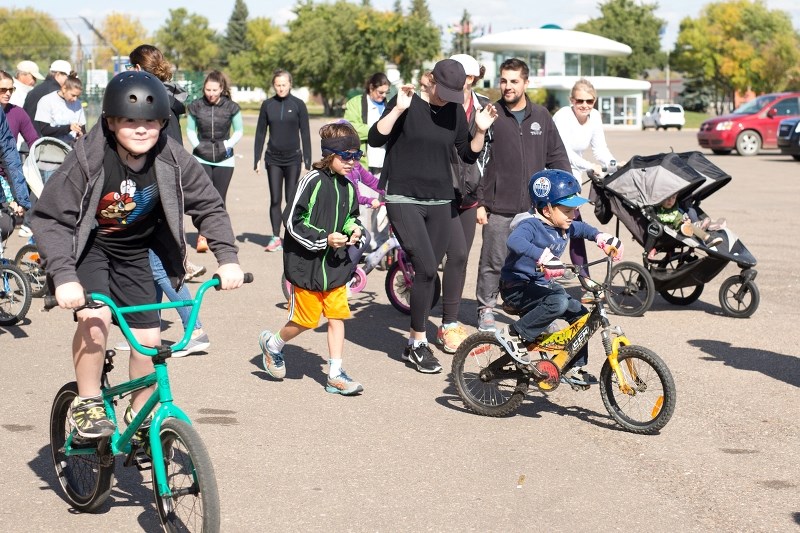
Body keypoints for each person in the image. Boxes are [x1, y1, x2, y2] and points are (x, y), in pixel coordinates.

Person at [30, 70, 244, 440]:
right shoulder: (89, 156)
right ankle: (88, 400)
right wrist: (64, 277)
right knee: (94, 320)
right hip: (91, 248)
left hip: (135, 251)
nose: (141, 129)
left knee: (147, 339)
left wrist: (228, 259)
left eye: (150, 121)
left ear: (162, 123)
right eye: (130, 120)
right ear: (111, 122)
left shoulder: (172, 157)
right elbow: (52, 219)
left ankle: (138, 412)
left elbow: (209, 206)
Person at [368, 58, 497, 374]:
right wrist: (397, 109)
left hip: (441, 200)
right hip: (403, 197)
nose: (450, 99)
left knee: (428, 272)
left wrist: (479, 130)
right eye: (445, 92)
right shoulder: (408, 102)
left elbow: (467, 153)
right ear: (431, 80)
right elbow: (375, 138)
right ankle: (416, 343)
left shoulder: (453, 110)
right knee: (426, 266)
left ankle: (416, 341)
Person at [258, 121, 365, 395]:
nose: (352, 162)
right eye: (346, 156)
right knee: (306, 321)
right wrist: (324, 238)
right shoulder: (311, 181)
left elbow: (353, 217)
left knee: (337, 317)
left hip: (336, 268)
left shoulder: (349, 187)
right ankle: (273, 345)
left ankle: (335, 374)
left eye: (357, 156)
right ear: (330, 154)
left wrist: (354, 231)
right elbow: (292, 222)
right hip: (307, 267)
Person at [496, 169, 623, 385]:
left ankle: (573, 366)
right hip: (517, 288)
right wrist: (542, 256)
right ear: (546, 210)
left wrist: (601, 237)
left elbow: (582, 229)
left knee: (582, 315)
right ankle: (513, 334)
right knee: (559, 301)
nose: (573, 216)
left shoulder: (562, 225)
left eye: (574, 210)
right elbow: (514, 241)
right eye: (567, 211)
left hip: (541, 287)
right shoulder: (531, 225)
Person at [474, 58, 571, 332]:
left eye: (514, 81)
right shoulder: (490, 114)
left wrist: (564, 197)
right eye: (503, 80)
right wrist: (480, 202)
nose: (508, 86)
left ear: (526, 83)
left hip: (533, 210)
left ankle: (534, 311)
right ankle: (486, 309)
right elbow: (477, 160)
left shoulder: (541, 116)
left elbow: (557, 157)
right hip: (498, 206)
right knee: (493, 260)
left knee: (532, 263)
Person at [127, 44, 204, 281]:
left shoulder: (147, 97)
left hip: (156, 167)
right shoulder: (169, 94)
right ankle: (181, 262)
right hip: (174, 163)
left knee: (152, 231)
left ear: (138, 67)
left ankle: (179, 265)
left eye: (131, 67)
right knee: (168, 222)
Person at [433, 53, 492, 354]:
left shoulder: (482, 105)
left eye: (464, 76)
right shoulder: (441, 102)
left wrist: (481, 200)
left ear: (470, 78)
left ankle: (449, 323)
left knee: (459, 257)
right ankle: (444, 321)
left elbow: (484, 158)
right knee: (444, 255)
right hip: (439, 190)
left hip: (468, 193)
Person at [553, 78, 616, 282]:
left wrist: (614, 164)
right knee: (567, 226)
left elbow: (600, 149)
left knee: (570, 227)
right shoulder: (563, 116)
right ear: (571, 100)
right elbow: (564, 152)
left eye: (589, 101)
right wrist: (590, 166)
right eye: (580, 101)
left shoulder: (594, 116)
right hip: (554, 175)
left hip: (574, 178)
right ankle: (584, 279)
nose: (585, 105)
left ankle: (582, 279)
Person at [253, 69, 311, 252]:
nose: (280, 88)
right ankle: (275, 237)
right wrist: (257, 158)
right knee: (276, 199)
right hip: (273, 159)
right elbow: (260, 132)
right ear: (273, 85)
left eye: (284, 85)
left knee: (291, 199)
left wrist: (307, 160)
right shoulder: (267, 105)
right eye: (277, 85)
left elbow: (306, 133)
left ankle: (292, 237)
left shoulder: (299, 104)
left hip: (293, 158)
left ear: (290, 84)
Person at [187, 70, 243, 253]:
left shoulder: (231, 107)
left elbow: (239, 131)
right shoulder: (196, 106)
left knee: (219, 199)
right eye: (208, 89)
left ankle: (222, 237)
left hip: (224, 160)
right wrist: (198, 146)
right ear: (204, 89)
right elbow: (189, 130)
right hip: (201, 158)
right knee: (202, 199)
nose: (211, 93)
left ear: (221, 89)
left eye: (214, 90)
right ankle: (202, 236)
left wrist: (227, 144)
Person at [344, 73, 390, 249]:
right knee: (362, 207)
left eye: (386, 92)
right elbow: (350, 127)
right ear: (371, 87)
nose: (383, 96)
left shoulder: (388, 105)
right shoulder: (356, 103)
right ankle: (361, 243)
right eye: (380, 92)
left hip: (383, 164)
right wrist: (379, 129)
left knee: (382, 209)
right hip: (363, 164)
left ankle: (381, 246)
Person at [1, 70, 39, 238]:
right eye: (3, 90)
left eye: (11, 89)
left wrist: (38, 158)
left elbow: (33, 141)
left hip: (8, 174)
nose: (8, 93)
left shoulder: (17, 113)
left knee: (7, 225)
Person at [652, 193, 724, 256]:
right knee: (689, 226)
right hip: (674, 230)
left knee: (690, 214)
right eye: (667, 198)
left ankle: (701, 226)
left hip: (685, 224)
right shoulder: (659, 210)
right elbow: (663, 220)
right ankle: (707, 238)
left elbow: (682, 214)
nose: (670, 201)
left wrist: (686, 219)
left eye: (673, 198)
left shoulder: (675, 207)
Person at [33, 72, 85, 145]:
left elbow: (83, 128)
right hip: (52, 147)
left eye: (78, 96)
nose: (75, 99)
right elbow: (45, 130)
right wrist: (68, 128)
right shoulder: (47, 101)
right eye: (73, 95)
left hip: (71, 147)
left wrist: (81, 134)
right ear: (64, 89)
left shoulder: (78, 104)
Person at [23, 60, 71, 125]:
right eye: (68, 77)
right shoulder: (57, 93)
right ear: (58, 75)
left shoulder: (34, 91)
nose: (69, 80)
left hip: (30, 133)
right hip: (47, 134)